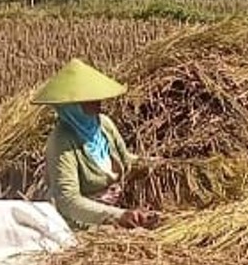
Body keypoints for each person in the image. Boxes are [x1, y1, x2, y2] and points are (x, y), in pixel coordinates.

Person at [30, 58, 159, 231]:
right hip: (83, 221)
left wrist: (155, 164)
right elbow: (69, 201)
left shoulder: (103, 124)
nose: (98, 104)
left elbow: (126, 159)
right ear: (72, 105)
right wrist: (118, 216)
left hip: (117, 208)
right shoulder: (62, 140)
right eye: (90, 99)